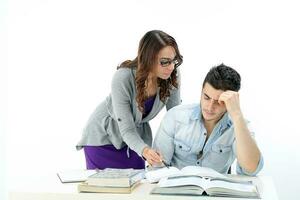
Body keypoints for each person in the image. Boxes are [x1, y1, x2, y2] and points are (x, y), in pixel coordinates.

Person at [76, 30, 183, 170]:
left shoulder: (171, 76)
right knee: (104, 190)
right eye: (164, 62)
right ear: (148, 58)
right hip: (102, 140)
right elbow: (126, 128)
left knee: (138, 187)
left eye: (174, 60)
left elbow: (175, 117)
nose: (171, 67)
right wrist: (145, 151)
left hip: (135, 139)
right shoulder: (123, 77)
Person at [153, 64, 263, 175]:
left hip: (215, 191)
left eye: (219, 102)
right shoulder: (175, 117)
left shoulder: (240, 126)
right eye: (206, 97)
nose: (210, 107)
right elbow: (158, 166)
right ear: (201, 91)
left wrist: (237, 115)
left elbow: (251, 168)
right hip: (175, 189)